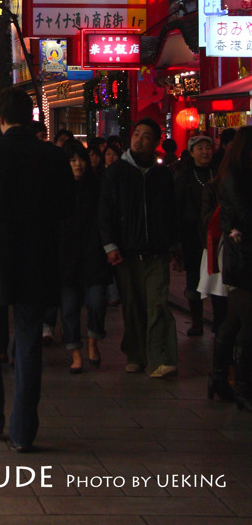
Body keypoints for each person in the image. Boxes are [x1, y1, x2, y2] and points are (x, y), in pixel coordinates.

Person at [0, 87, 73, 452]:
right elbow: (67, 207)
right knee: (28, 338)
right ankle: (23, 430)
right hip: (37, 253)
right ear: (30, 116)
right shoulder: (51, 157)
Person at [99, 117, 180, 378]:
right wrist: (110, 245)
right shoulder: (116, 172)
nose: (139, 139)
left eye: (146, 136)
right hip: (127, 252)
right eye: (137, 134)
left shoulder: (162, 175)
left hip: (157, 250)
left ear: (156, 142)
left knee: (157, 304)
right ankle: (136, 354)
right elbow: (106, 211)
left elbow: (171, 212)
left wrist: (175, 245)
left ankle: (161, 359)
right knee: (133, 306)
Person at [58, 141, 110, 372]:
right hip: (67, 257)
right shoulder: (58, 190)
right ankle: (75, 353)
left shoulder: (97, 187)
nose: (78, 164)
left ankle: (93, 341)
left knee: (97, 301)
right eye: (72, 160)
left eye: (80, 159)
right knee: (69, 308)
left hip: (93, 254)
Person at [217, 127, 252, 410]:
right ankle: (242, 384)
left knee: (233, 322)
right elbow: (244, 215)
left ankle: (217, 379)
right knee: (246, 324)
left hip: (242, 254)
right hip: (243, 258)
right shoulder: (234, 179)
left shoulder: (239, 177)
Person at [174, 134, 215, 336]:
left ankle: (219, 320)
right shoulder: (184, 176)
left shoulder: (218, 173)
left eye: (208, 147)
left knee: (217, 275)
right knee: (193, 276)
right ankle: (196, 320)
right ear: (191, 152)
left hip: (215, 234)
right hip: (191, 235)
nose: (205, 152)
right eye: (200, 148)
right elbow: (177, 206)